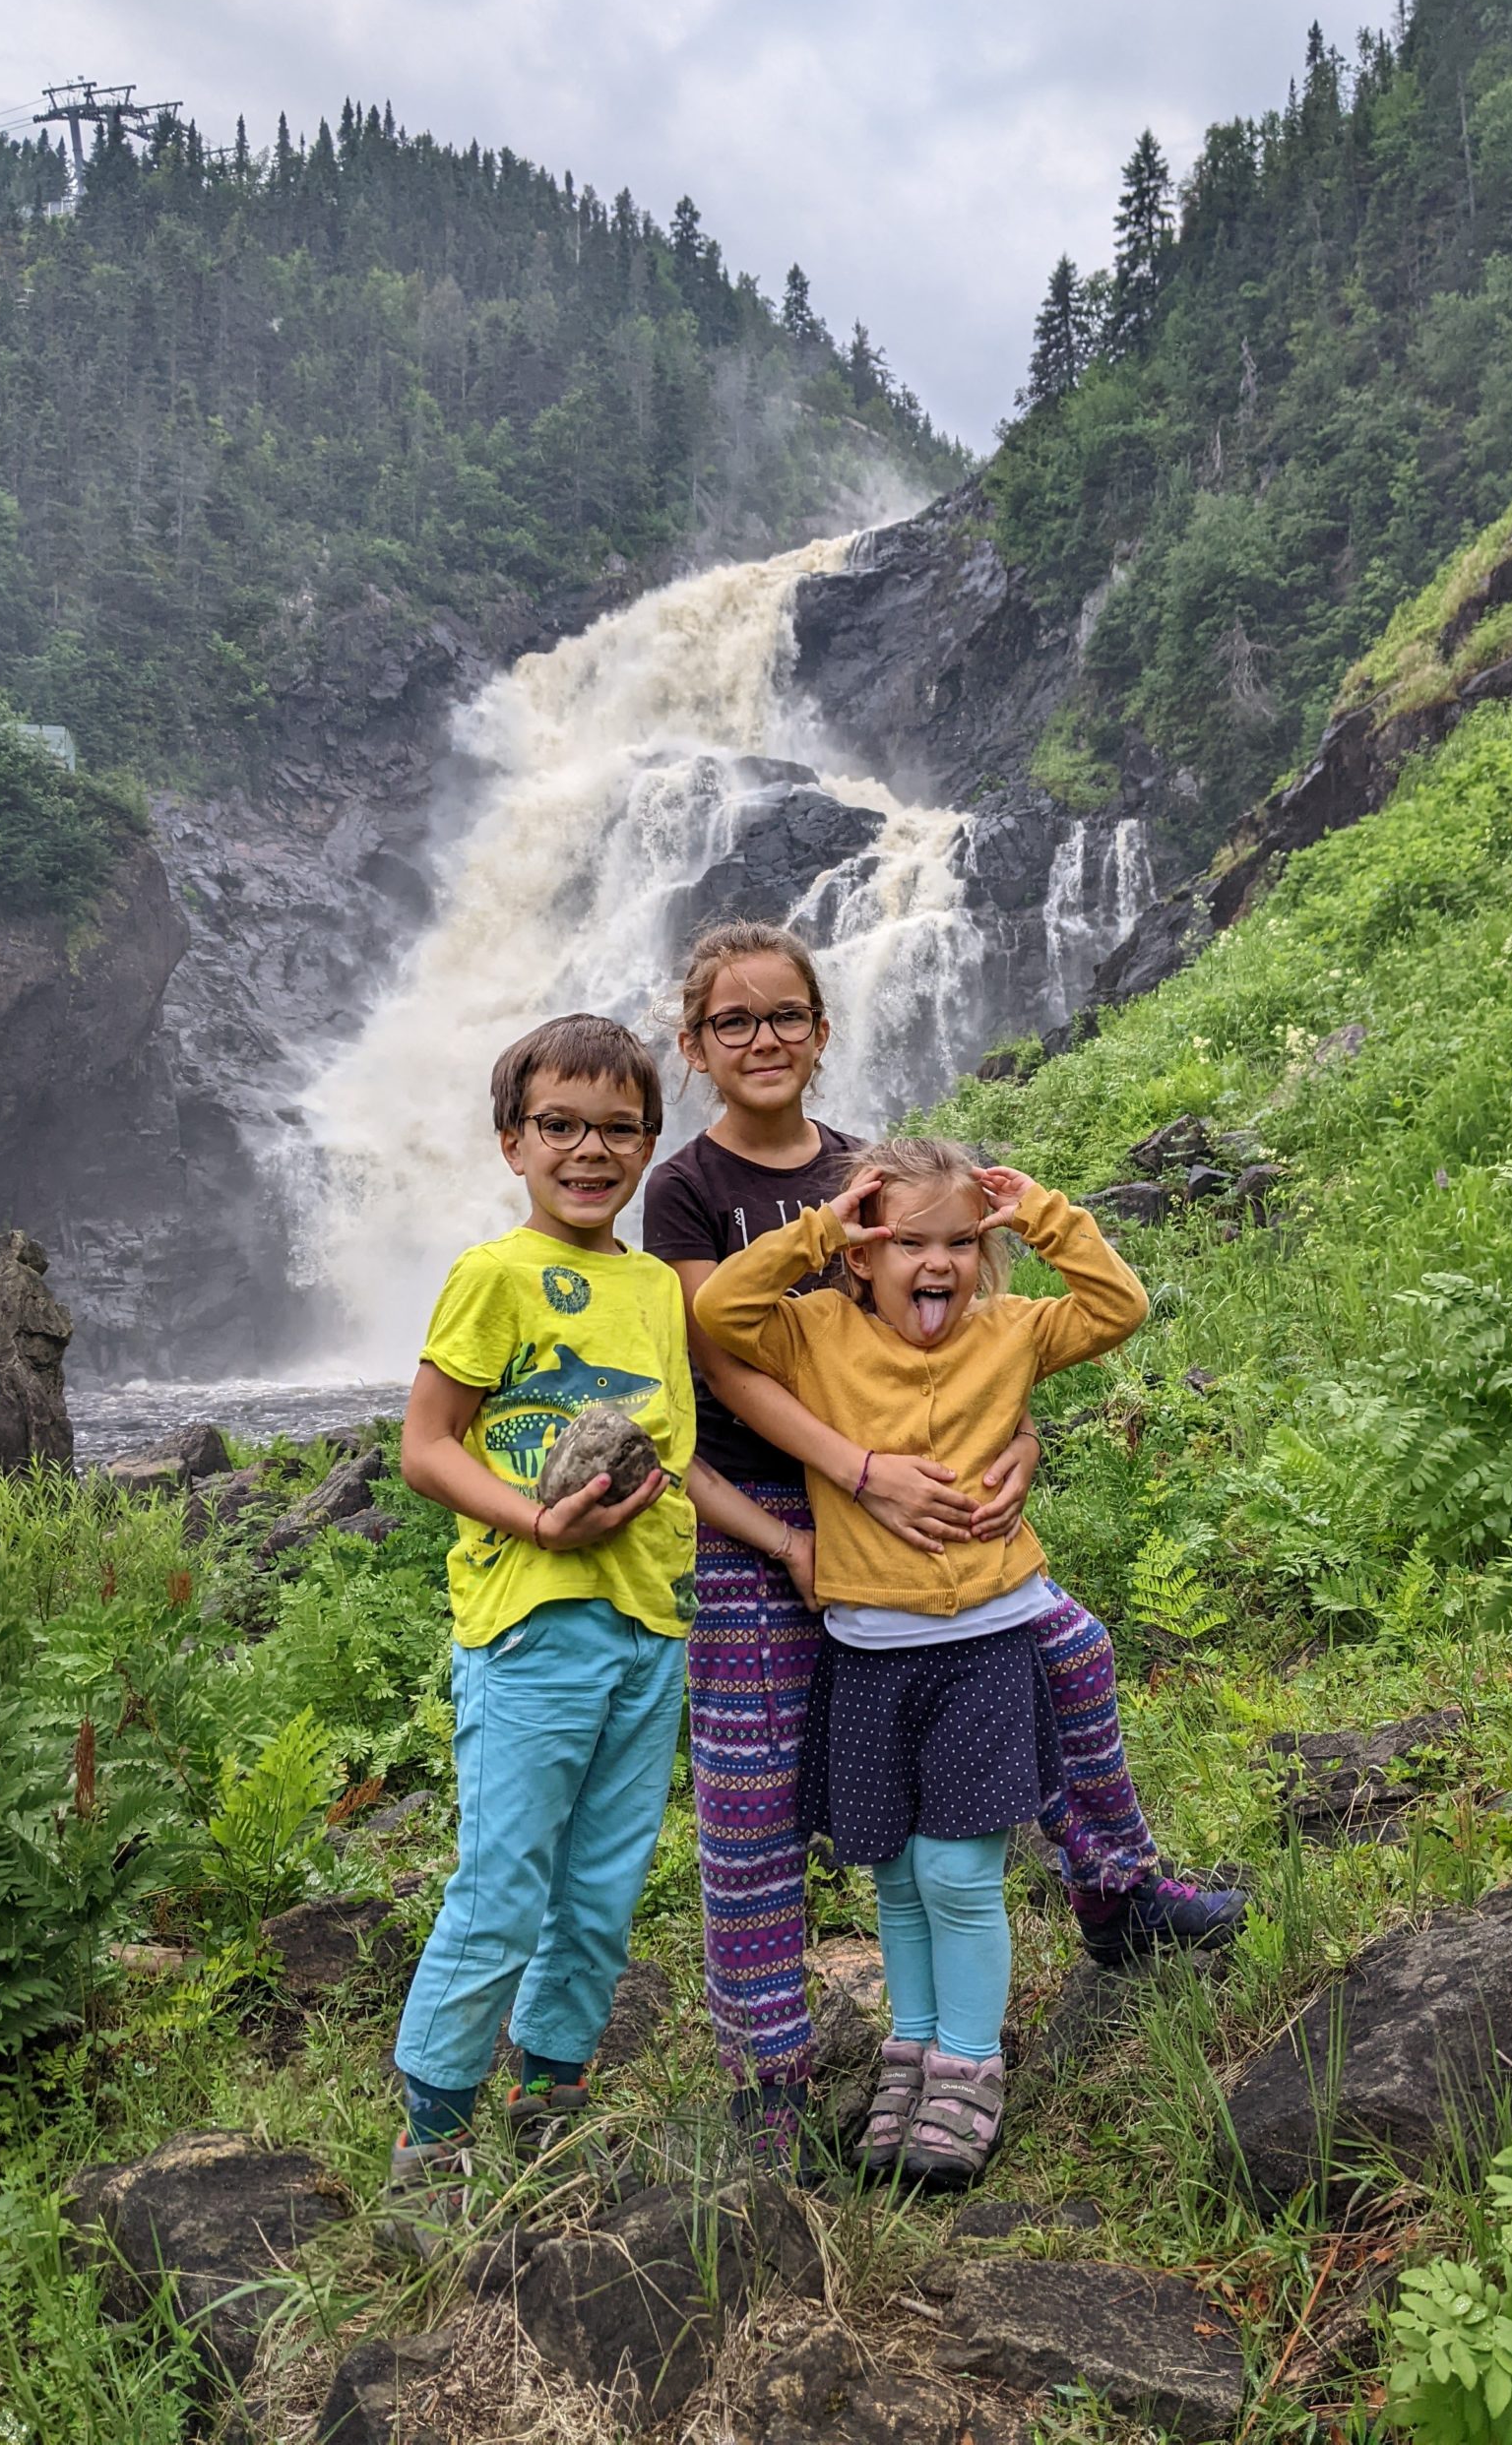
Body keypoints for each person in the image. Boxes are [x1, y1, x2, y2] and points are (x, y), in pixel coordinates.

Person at [645, 922, 1242, 2167]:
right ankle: (771, 2071)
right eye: (734, 1020)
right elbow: (724, 1350)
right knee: (756, 1803)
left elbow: (986, 1338)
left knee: (1072, 1652)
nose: (764, 1037)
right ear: (694, 1044)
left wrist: (1015, 1429)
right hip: (767, 1507)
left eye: (787, 1014)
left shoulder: (882, 1171)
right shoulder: (694, 1188)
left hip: (943, 1539)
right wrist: (855, 1472)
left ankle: (1113, 1887)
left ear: (823, 1028)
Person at [386, 1011, 809, 2244]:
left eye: (618, 1129)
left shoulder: (654, 1289)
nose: (590, 1150)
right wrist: (536, 1520)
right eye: (559, 1126)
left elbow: (679, 1461)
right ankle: (432, 2136)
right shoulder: (493, 1274)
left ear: (649, 1142)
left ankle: (550, 2092)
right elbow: (426, 1447)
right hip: (534, 1621)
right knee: (503, 1884)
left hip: (650, 1623)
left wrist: (788, 1540)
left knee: (602, 1886)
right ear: (512, 1141)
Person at [695, 1138, 1172, 2186]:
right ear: (864, 1256)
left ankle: (970, 2064)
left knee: (958, 1872)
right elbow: (720, 1312)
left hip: (984, 1647)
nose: (938, 1262)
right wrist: (822, 1229)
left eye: (960, 1242)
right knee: (899, 1879)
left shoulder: (1010, 1329)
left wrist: (1041, 1213)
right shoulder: (815, 1331)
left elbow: (1119, 1306)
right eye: (910, 1242)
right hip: (866, 1653)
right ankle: (910, 2053)